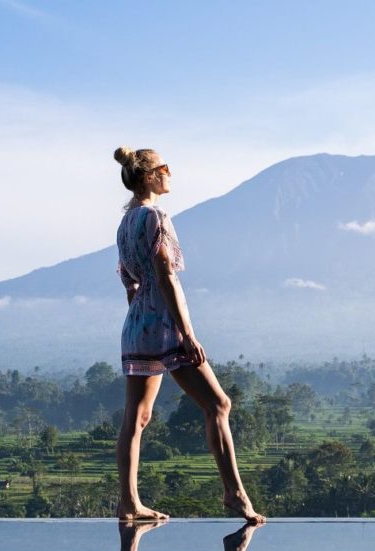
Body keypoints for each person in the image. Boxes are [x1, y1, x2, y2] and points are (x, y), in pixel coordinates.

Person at [113, 146, 266, 524]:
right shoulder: (155, 217)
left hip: (136, 323)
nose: (170, 174)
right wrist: (186, 332)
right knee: (218, 404)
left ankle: (128, 500)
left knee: (137, 416)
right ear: (150, 176)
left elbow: (129, 281)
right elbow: (167, 276)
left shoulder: (125, 222)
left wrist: (143, 313)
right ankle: (234, 494)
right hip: (164, 323)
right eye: (165, 168)